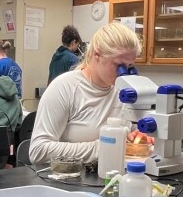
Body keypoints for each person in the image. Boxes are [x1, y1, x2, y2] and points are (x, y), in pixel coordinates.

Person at [29, 22, 139, 165]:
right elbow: (38, 151)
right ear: (97, 54)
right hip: (70, 181)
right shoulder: (64, 88)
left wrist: (138, 137)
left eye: (130, 66)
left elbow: (131, 136)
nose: (124, 73)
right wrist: (104, 147)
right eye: (119, 65)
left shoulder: (123, 92)